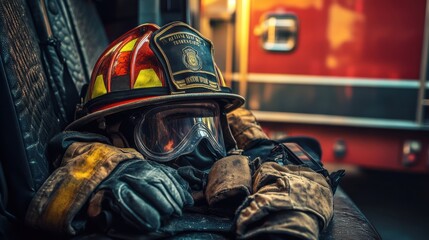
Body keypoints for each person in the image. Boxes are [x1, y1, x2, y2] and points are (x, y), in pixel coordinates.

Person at [25, 21, 344, 239]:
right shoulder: (98, 164)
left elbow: (237, 132)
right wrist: (105, 171)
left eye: (204, 126)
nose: (197, 145)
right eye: (170, 131)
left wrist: (266, 153)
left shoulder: (241, 160)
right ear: (115, 135)